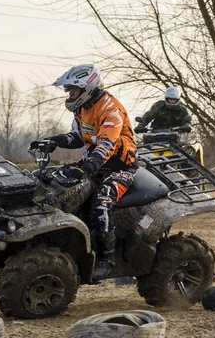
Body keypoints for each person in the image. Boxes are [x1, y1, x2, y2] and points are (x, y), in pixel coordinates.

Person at [30, 64, 137, 281]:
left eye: (73, 90)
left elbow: (106, 145)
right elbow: (77, 137)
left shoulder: (110, 109)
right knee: (52, 181)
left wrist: (86, 168)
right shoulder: (83, 108)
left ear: (86, 87)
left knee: (102, 200)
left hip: (120, 168)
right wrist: (53, 141)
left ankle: (108, 260)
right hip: (95, 165)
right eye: (68, 90)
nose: (69, 94)